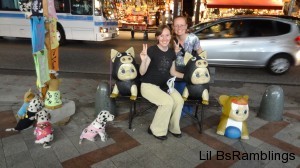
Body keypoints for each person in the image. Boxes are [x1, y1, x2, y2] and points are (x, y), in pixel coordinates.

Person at [139, 25, 184, 140]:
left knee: (179, 100)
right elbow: (142, 72)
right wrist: (143, 61)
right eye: (161, 35)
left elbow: (173, 72)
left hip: (164, 86)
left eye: (167, 35)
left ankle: (173, 127)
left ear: (171, 36)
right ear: (157, 37)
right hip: (148, 86)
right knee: (167, 102)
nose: (164, 38)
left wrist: (187, 76)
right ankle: (155, 129)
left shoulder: (171, 53)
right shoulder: (152, 50)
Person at [172, 16, 203, 116]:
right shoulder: (170, 39)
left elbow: (200, 54)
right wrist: (174, 52)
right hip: (174, 75)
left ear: (186, 26)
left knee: (184, 99)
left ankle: (183, 110)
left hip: (188, 75)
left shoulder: (193, 38)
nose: (179, 27)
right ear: (173, 27)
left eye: (181, 25)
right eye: (176, 25)